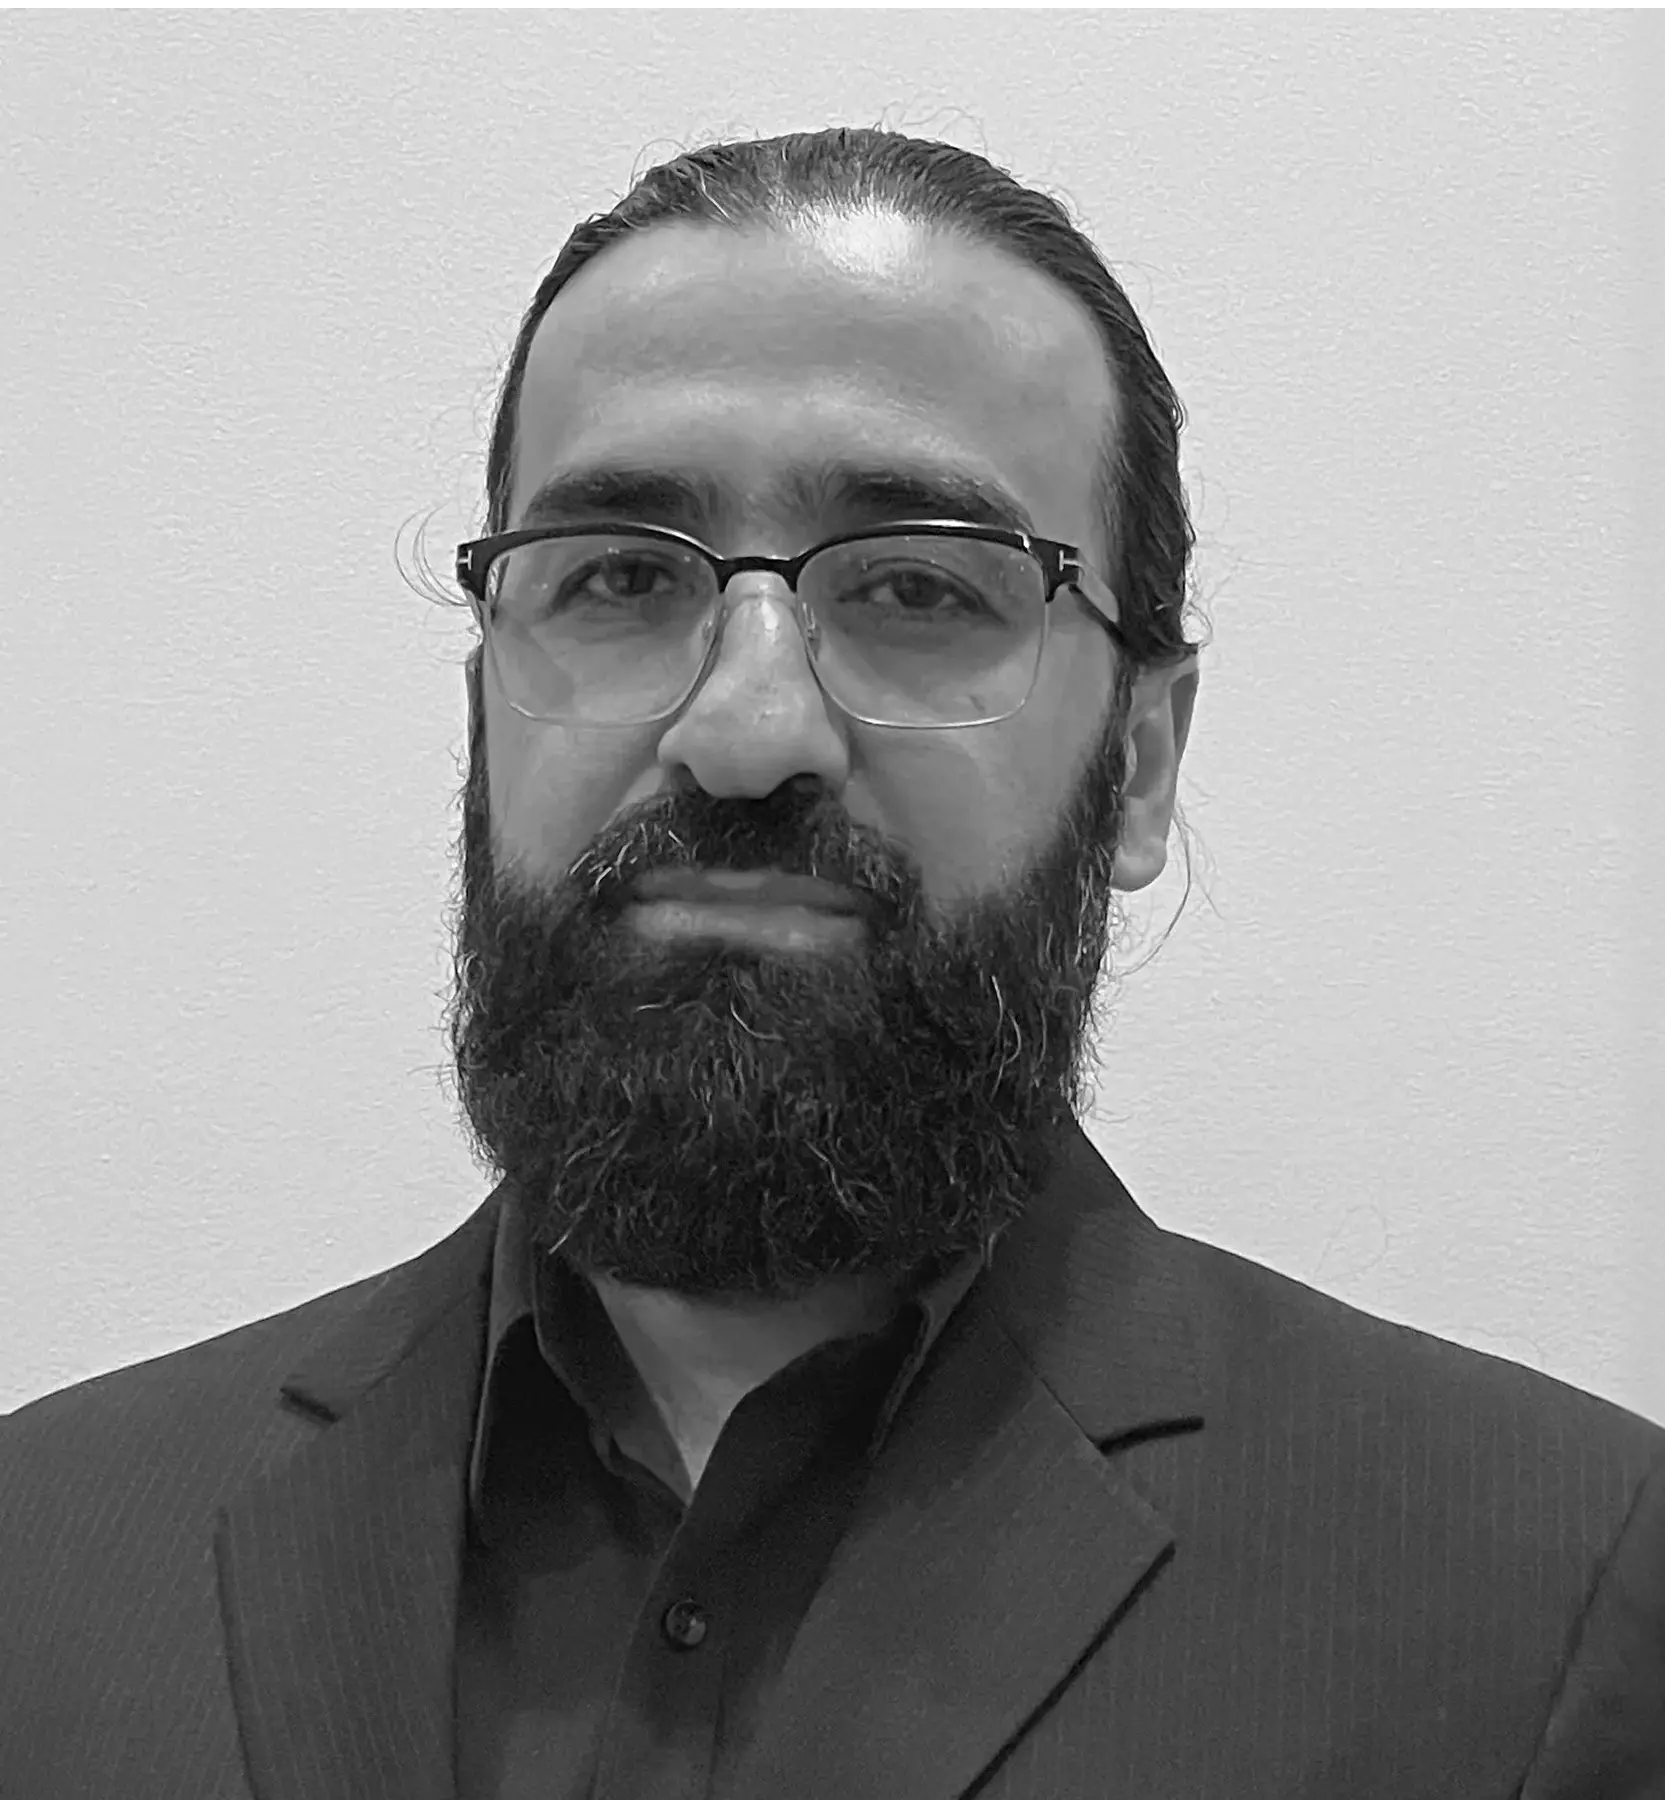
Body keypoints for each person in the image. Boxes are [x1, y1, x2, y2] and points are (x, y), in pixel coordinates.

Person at [2, 126, 1660, 1800]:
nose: (745, 730)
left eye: (921, 589)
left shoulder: (1548, 1602)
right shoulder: (40, 1564)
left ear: (1142, 763)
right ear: (483, 696)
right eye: (619, 578)